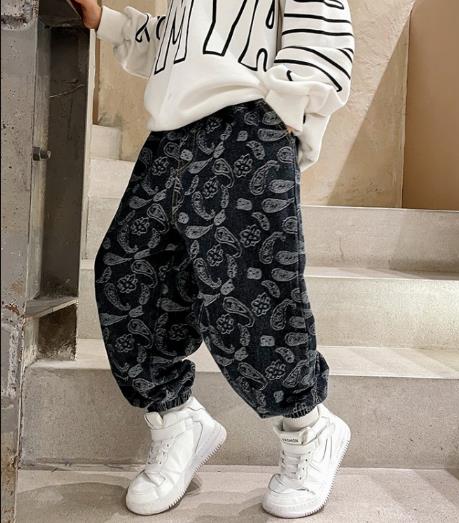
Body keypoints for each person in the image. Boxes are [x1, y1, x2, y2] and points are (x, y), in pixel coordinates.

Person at [75, 0, 355, 518]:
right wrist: (107, 22)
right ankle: (178, 422)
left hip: (247, 121)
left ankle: (307, 429)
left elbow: (321, 22)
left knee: (246, 293)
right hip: (169, 134)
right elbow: (185, 38)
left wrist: (286, 110)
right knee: (129, 273)